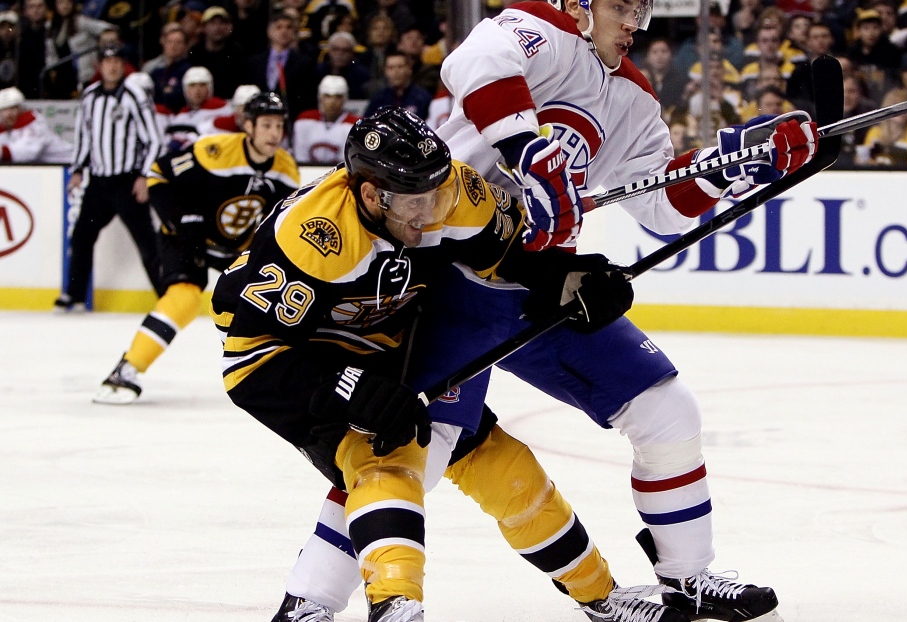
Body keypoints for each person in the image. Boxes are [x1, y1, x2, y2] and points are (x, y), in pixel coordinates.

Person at [272, 0, 819, 621]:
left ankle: (688, 576)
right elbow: (472, 63)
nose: (635, 18)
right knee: (416, 448)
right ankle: (310, 601)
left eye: (642, 6)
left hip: (540, 282)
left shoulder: (634, 99)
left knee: (667, 409)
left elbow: (663, 205)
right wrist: (526, 148)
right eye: (622, 5)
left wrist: (736, 166)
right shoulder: (540, 30)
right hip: (448, 278)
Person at [216, 107, 653, 622]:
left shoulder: (448, 193)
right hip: (301, 365)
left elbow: (506, 257)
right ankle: (389, 604)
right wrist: (352, 389)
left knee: (502, 466)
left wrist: (575, 280)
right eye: (416, 202)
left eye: (437, 193)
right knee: (386, 459)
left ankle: (600, 593)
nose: (432, 213)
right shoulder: (315, 238)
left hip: (392, 350)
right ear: (371, 195)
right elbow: (252, 359)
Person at [95, 93, 299, 404]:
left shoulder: (286, 170)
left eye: (279, 126)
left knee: (269, 303)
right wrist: (181, 221)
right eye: (267, 125)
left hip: (233, 249)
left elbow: (277, 223)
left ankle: (282, 377)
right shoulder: (214, 151)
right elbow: (159, 174)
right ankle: (126, 369)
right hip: (187, 238)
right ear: (248, 126)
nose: (274, 133)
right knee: (185, 297)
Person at [56, 45, 163, 312]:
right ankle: (75, 295)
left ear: (123, 65)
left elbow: (153, 139)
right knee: (81, 236)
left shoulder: (133, 95)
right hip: (99, 182)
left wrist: (143, 176)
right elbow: (84, 136)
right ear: (99, 66)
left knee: (147, 242)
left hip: (127, 181)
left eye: (117, 61)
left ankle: (167, 295)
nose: (112, 66)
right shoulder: (90, 96)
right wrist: (78, 169)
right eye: (107, 61)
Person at [245, 12, 318, 120]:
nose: (284, 31)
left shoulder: (305, 63)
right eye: (279, 27)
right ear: (269, 32)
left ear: (294, 32)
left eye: (289, 27)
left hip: (290, 120)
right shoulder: (254, 62)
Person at [161, 66, 232, 152]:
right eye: (192, 85)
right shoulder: (182, 115)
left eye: (202, 85)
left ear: (209, 88)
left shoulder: (223, 109)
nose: (197, 91)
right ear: (185, 89)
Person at [293, 75, 358, 164]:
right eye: (328, 96)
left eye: (338, 97)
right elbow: (301, 159)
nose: (332, 102)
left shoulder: (354, 125)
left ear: (345, 99)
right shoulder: (304, 121)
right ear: (320, 97)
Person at [188, 6, 247, 100]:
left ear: (229, 27)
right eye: (212, 23)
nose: (217, 27)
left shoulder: (236, 52)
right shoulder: (195, 52)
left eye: (222, 23)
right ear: (203, 27)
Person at [0, 86, 72, 163]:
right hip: (47, 169)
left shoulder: (34, 123)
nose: (8, 114)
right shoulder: (5, 128)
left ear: (20, 109)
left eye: (13, 108)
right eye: (4, 109)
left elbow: (26, 152)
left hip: (69, 163)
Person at [363, 50, 432, 120]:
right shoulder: (378, 98)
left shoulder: (422, 97)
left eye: (400, 67)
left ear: (409, 69)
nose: (396, 72)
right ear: (385, 71)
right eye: (391, 68)